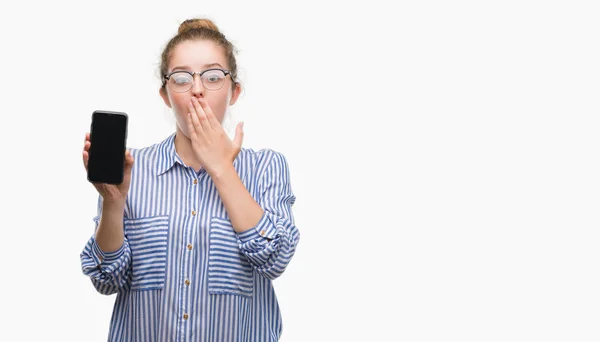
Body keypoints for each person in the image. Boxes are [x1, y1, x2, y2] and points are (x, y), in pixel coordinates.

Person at [80, 18, 300, 342]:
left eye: (212, 77)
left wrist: (222, 169)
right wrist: (113, 202)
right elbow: (106, 280)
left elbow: (276, 258)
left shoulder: (266, 167)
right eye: (182, 78)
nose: (197, 89)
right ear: (166, 95)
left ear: (234, 91)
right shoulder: (132, 169)